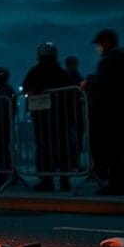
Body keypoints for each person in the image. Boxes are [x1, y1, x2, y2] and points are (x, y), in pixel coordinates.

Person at [85, 28, 124, 195]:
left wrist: (88, 85)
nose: (97, 48)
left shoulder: (110, 60)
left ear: (106, 43)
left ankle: (116, 185)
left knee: (112, 149)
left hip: (111, 109)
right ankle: (120, 182)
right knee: (120, 149)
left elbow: (106, 83)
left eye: (99, 44)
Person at [22, 43, 73, 191]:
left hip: (42, 116)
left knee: (44, 148)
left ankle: (46, 180)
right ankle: (65, 181)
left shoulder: (35, 71)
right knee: (62, 148)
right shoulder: (61, 72)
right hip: (60, 116)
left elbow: (27, 87)